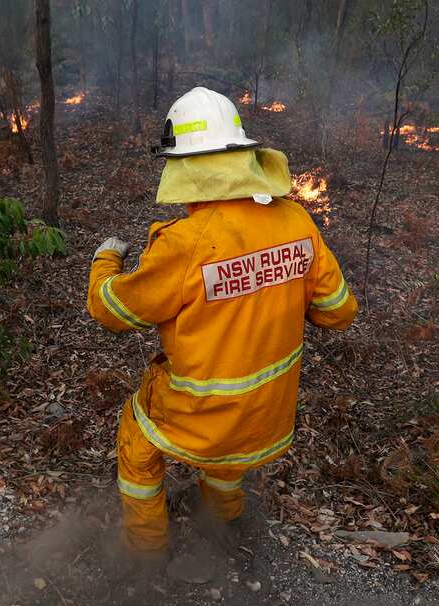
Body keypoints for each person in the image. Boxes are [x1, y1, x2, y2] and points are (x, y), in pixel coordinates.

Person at [86, 86, 358, 559]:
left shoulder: (186, 242)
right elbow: (338, 312)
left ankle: (147, 551)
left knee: (138, 433)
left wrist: (105, 260)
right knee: (227, 457)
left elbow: (112, 311)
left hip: (203, 413)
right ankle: (222, 520)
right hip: (266, 415)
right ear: (241, 156)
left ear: (184, 168)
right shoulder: (297, 220)